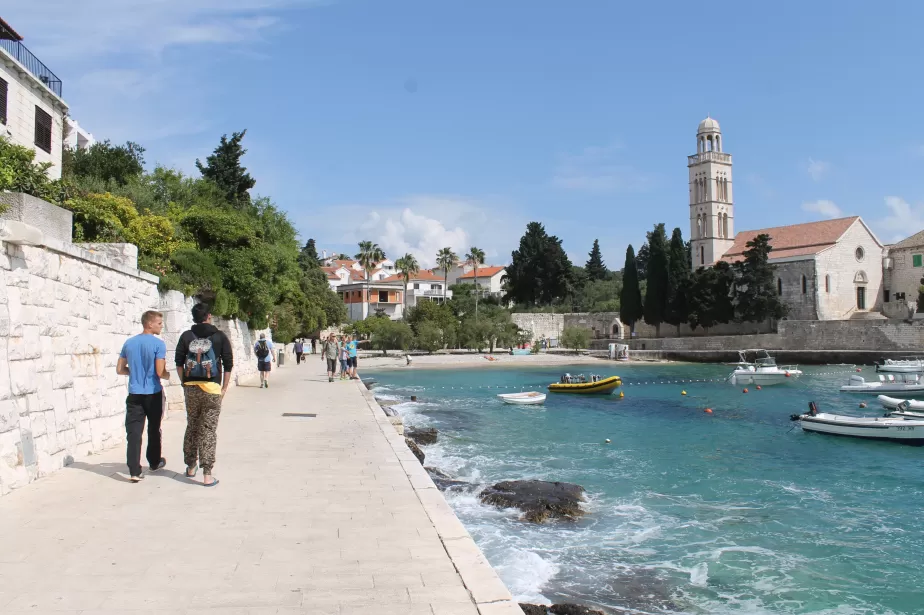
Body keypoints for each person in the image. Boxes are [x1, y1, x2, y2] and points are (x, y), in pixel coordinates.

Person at [175, 303, 232, 487]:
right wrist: (224, 388)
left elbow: (178, 362)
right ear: (209, 316)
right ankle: (207, 474)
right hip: (212, 388)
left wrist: (185, 383)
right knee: (208, 429)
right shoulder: (220, 336)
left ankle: (191, 466)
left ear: (194, 318)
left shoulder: (186, 336)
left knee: (192, 425)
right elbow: (228, 364)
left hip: (191, 388)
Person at [117, 310, 170, 482]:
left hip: (134, 394)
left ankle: (134, 470)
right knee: (154, 428)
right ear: (149, 324)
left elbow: (119, 369)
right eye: (159, 323)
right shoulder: (158, 344)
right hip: (153, 393)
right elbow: (160, 372)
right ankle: (154, 462)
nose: (161, 326)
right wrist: (168, 375)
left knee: (133, 432)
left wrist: (133, 373)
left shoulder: (129, 343)